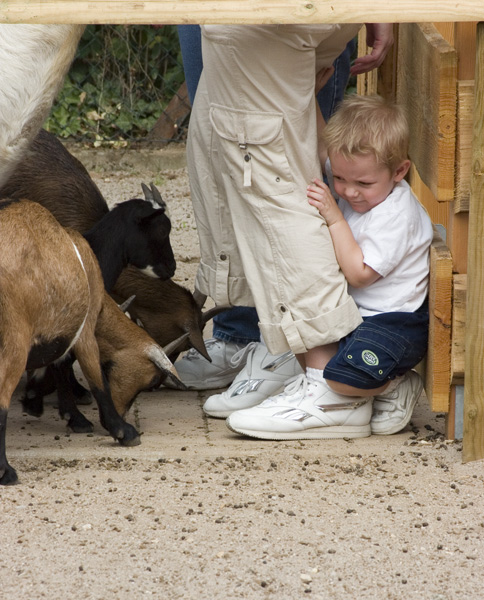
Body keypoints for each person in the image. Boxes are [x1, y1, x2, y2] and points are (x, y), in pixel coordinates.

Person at [175, 25, 392, 397]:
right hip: (276, 19)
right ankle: (262, 340)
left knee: (270, 174)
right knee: (229, 148)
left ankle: (326, 384)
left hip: (266, 17)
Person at [225, 94, 433, 440]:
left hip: (393, 323)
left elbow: (359, 275)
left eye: (362, 183)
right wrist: (307, 94)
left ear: (399, 171)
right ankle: (350, 393)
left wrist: (335, 217)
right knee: (303, 331)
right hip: (357, 315)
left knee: (337, 377)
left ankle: (396, 385)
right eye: (339, 179)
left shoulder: (396, 215)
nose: (349, 192)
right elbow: (325, 147)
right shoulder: (360, 179)